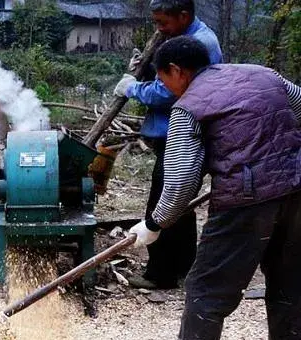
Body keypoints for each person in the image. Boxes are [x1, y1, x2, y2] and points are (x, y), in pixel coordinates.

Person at [129, 35, 301, 339]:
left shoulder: (188, 108)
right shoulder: (264, 74)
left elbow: (181, 182)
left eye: (162, 78)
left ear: (176, 70)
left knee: (205, 291)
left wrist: (155, 223)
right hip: (295, 190)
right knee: (290, 286)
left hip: (244, 202)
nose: (165, 86)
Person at [112, 0, 223, 289]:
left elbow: (168, 92)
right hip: (170, 134)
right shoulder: (180, 38)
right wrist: (147, 67)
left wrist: (133, 88)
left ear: (184, 15)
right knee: (182, 206)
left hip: (185, 137)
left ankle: (160, 273)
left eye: (164, 22)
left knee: (163, 200)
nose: (159, 28)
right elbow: (164, 78)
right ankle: (184, 268)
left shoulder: (201, 43)